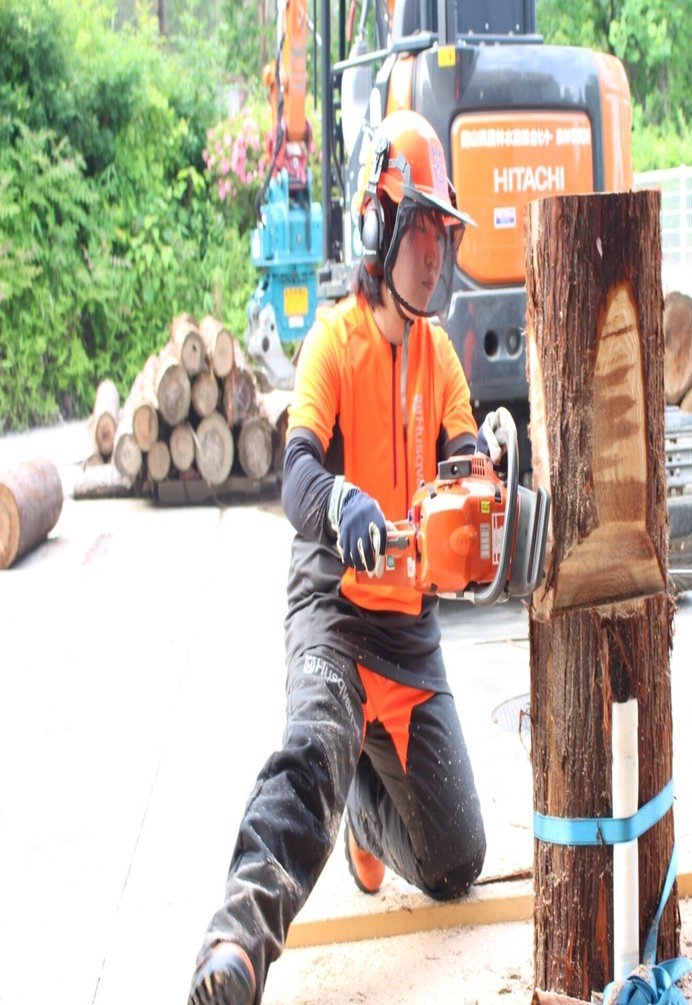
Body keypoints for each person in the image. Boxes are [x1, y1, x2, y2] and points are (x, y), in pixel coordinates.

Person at [187, 109, 513, 1005]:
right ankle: (236, 941)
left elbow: (460, 454)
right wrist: (341, 501)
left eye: (444, 235)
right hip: (333, 606)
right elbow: (292, 475)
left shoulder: (441, 356)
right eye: (422, 231)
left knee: (456, 860)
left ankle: (370, 812)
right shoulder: (334, 340)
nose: (434, 255)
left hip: (408, 628)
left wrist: (479, 471)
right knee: (313, 749)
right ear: (380, 225)